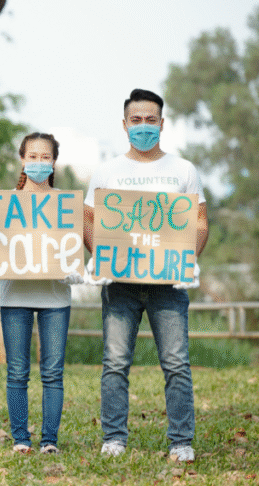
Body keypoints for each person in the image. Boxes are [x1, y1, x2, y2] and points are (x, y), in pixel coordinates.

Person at [83, 89, 208, 462]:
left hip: (169, 284)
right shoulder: (107, 171)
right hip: (119, 284)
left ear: (162, 123)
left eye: (150, 120)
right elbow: (90, 220)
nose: (143, 127)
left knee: (176, 363)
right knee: (115, 362)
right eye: (135, 120)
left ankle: (181, 441)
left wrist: (191, 258)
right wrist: (97, 257)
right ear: (124, 125)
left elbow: (199, 222)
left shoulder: (183, 170)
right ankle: (114, 438)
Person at [0, 133, 82, 455]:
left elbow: (73, 248)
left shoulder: (66, 203)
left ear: (54, 162)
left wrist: (77, 268)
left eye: (44, 157)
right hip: (14, 297)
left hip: (56, 299)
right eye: (32, 157)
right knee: (17, 372)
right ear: (22, 160)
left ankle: (50, 440)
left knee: (52, 373)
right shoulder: (3, 204)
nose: (38, 162)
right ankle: (21, 439)